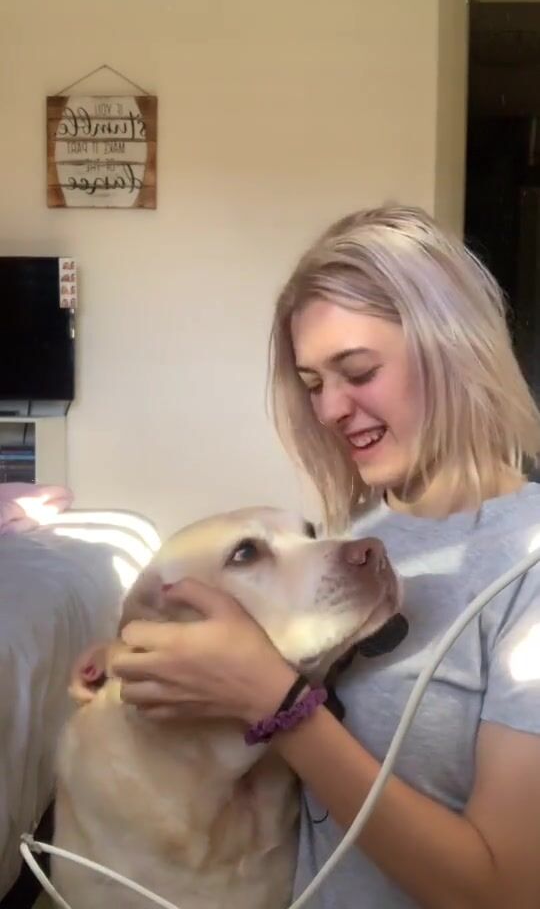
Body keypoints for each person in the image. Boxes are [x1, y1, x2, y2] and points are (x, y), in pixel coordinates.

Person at [81, 206, 540, 908]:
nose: (329, 410)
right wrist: (144, 659)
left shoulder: (524, 565)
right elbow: (263, 660)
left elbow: (508, 892)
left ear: (455, 347)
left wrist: (283, 711)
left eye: (357, 370)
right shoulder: (362, 530)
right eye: (315, 383)